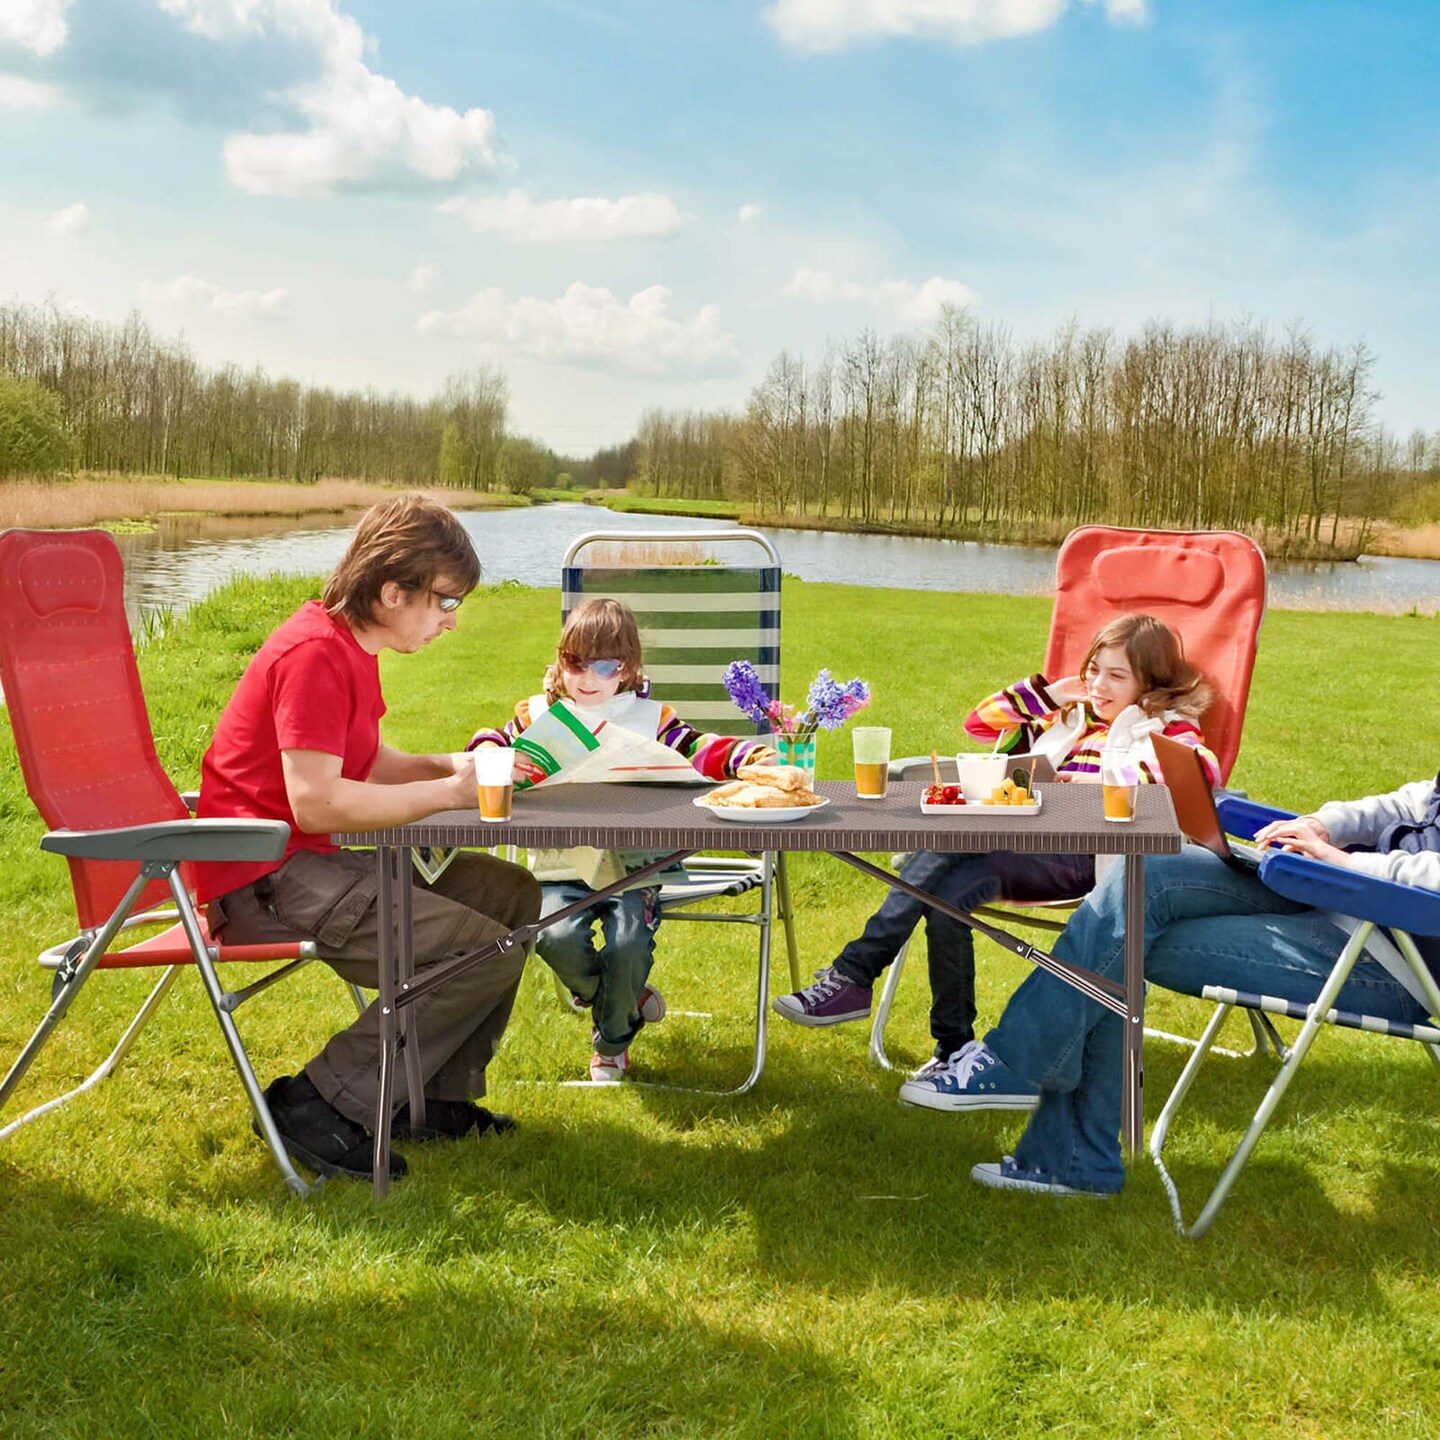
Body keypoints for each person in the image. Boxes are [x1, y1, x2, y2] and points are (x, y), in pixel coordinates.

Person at [196, 493, 541, 1182]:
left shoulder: (350, 649)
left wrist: (449, 764)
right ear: (392, 591)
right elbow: (317, 802)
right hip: (263, 879)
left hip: (305, 864)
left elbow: (366, 760)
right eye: (445, 602)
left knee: (511, 895)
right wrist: (447, 795)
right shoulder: (312, 656)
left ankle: (424, 1096)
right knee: (483, 950)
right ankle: (318, 1100)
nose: (450, 621)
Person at [772, 613, 1221, 1110]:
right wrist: (1052, 696)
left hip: (1082, 859)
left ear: (1150, 684)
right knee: (945, 888)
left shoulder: (1163, 729)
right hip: (1019, 844)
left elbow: (1198, 781)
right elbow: (979, 723)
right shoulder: (1068, 719)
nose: (1097, 685)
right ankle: (954, 1047)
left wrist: (1094, 788)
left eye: (1116, 676)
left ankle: (854, 975)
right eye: (1094, 669)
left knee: (945, 841)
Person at [967, 776, 1440, 1197]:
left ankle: (1047, 1119)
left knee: (1123, 935)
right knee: (1142, 871)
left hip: (1389, 954)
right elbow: (1411, 802)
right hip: (1330, 889)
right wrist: (1320, 825)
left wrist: (1343, 863)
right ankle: (1042, 1106)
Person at [468, 598, 776, 1082]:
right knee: (553, 935)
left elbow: (699, 748)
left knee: (629, 944)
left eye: (605, 665)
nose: (587, 677)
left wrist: (750, 755)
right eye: (575, 662)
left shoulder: (650, 718)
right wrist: (489, 750)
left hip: (634, 866)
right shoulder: (538, 716)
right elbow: (491, 742)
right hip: (559, 865)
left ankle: (611, 1042)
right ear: (560, 659)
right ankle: (620, 996)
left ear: (627, 667)